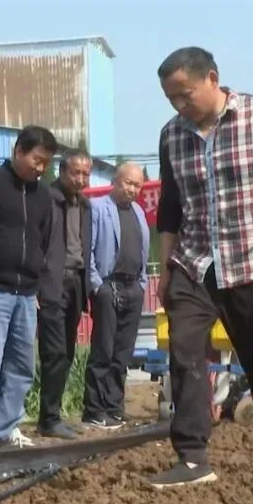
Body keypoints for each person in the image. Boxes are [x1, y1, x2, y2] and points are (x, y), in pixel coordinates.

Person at [152, 47, 253, 489]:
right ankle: (192, 458)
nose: (179, 107)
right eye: (170, 99)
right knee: (184, 351)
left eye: (185, 96)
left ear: (212, 79)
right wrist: (166, 268)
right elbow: (169, 208)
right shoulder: (171, 136)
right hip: (194, 261)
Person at [0, 126, 58, 452]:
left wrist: (40, 284)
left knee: (21, 366)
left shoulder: (44, 196)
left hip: (27, 293)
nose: (40, 168)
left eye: (46, 163)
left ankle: (7, 428)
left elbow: (44, 240)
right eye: (36, 159)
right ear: (18, 150)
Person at [84, 163, 151, 430]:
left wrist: (143, 283)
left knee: (123, 353)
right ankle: (94, 410)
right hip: (107, 286)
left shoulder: (138, 211)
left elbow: (144, 252)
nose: (132, 190)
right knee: (103, 350)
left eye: (137, 185)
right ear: (115, 180)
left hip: (133, 287)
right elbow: (87, 251)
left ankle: (114, 407)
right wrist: (96, 285)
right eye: (128, 183)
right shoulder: (98, 208)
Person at [36, 149, 94, 439]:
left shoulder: (85, 205)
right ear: (61, 171)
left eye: (85, 173)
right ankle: (48, 418)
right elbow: (36, 242)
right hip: (51, 284)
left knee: (68, 352)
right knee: (54, 352)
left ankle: (53, 415)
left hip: (75, 284)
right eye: (76, 172)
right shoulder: (47, 198)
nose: (81, 179)